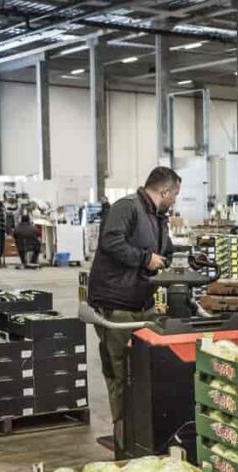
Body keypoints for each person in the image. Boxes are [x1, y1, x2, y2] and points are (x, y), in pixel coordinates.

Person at [87, 166, 180, 449]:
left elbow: (164, 250)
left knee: (146, 368)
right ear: (164, 191)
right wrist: (144, 259)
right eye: (174, 194)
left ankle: (143, 431)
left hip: (142, 302)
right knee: (119, 369)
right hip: (116, 304)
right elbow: (111, 242)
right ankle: (123, 435)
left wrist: (173, 257)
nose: (175, 200)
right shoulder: (126, 207)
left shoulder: (157, 216)